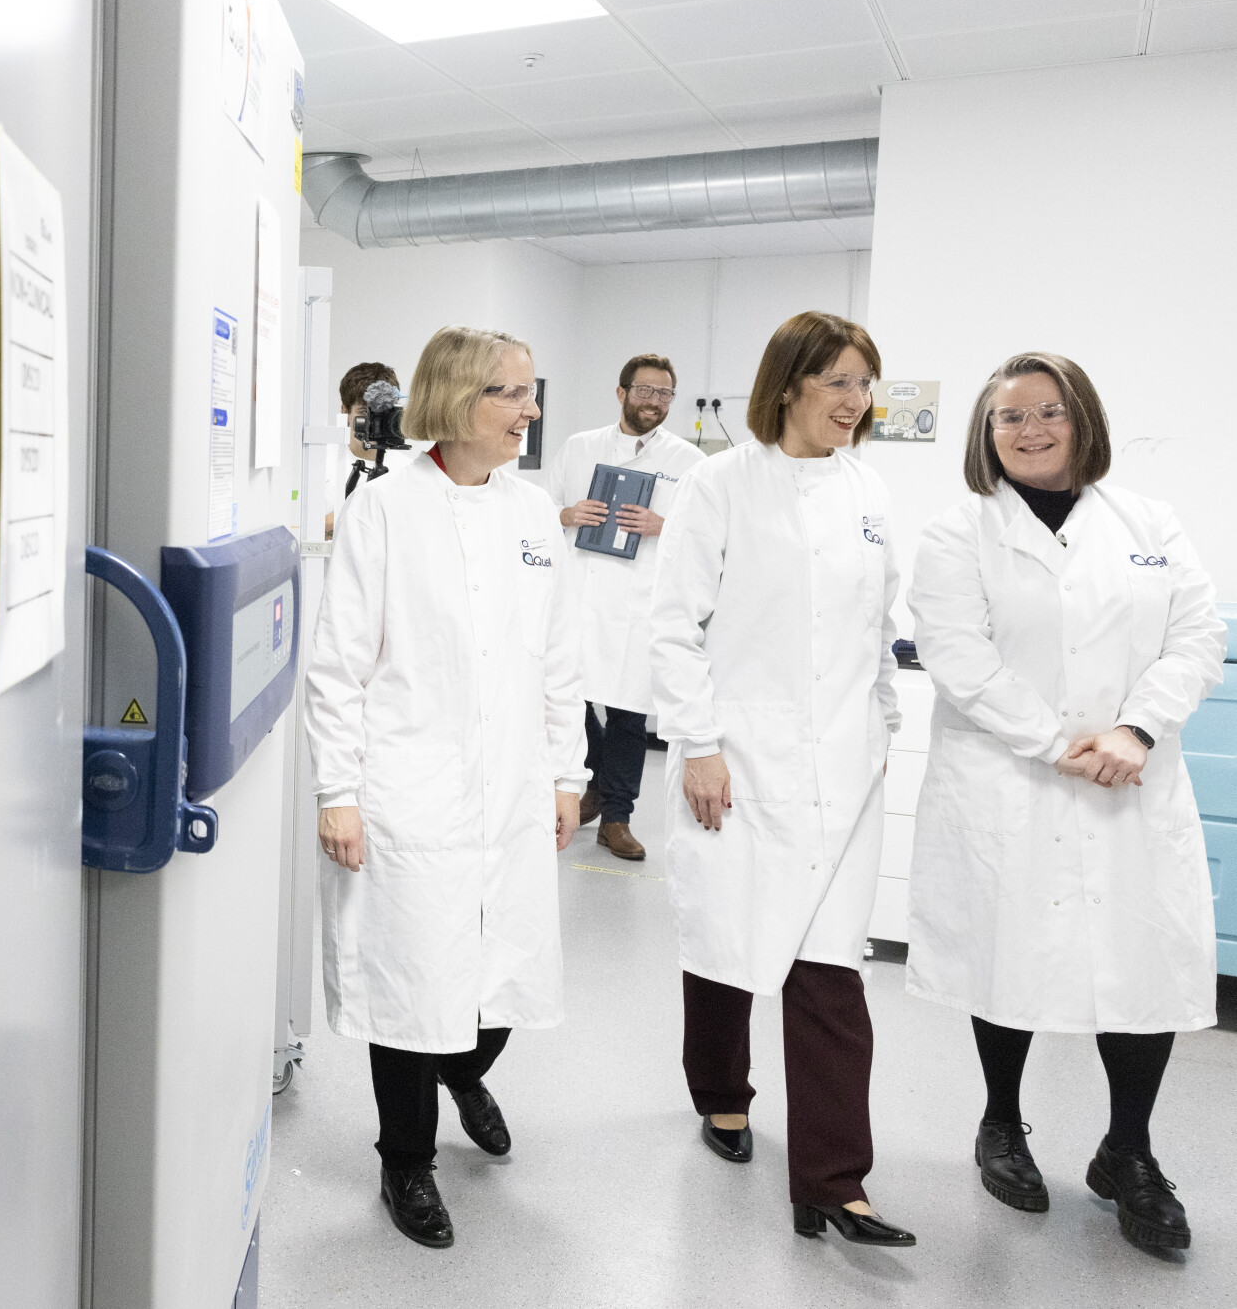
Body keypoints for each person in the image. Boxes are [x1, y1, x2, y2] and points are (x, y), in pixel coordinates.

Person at [906, 352, 1224, 1251]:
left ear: (1082, 419)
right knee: (1008, 952)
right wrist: (1055, 743)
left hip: (1131, 778)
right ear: (986, 433)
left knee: (1142, 963)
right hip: (1012, 777)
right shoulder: (955, 533)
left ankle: (1127, 1151)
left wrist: (1138, 730)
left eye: (1048, 412)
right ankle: (1001, 1123)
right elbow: (958, 656)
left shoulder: (1149, 521)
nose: (1030, 430)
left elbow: (1197, 634)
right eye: (1009, 418)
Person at [306, 325, 586, 1251]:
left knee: (506, 962)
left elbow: (557, 658)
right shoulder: (384, 510)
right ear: (461, 399)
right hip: (406, 783)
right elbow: (340, 664)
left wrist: (566, 773)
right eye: (513, 393)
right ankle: (407, 1162)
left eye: (529, 392)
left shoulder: (533, 512)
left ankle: (466, 1069)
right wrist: (336, 791)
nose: (530, 410)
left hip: (509, 784)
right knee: (411, 972)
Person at [648, 310, 916, 1247]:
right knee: (728, 942)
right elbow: (674, 623)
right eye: (838, 381)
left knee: (830, 970)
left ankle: (834, 1183)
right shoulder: (721, 484)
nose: (856, 401)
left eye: (864, 383)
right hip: (741, 755)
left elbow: (880, 628)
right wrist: (700, 745)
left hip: (844, 766)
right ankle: (722, 1095)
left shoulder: (871, 491)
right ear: (790, 383)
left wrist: (881, 726)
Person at [546, 353, 704, 859]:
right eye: (644, 391)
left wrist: (663, 525)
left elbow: (706, 535)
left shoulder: (689, 462)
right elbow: (538, 513)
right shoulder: (579, 448)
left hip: (640, 605)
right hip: (580, 595)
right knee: (570, 701)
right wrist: (569, 513)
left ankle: (617, 816)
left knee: (629, 712)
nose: (654, 402)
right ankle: (590, 784)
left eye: (664, 394)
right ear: (621, 393)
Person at [326, 361, 400, 540]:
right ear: (345, 412)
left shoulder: (408, 470)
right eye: (365, 413)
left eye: (382, 412)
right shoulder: (318, 461)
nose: (374, 422)